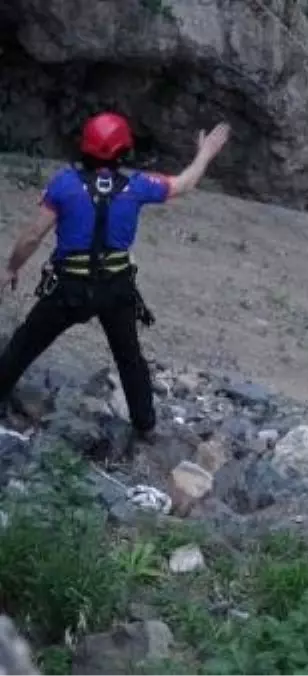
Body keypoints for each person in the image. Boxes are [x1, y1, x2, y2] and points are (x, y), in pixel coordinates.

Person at [0, 112, 231, 442]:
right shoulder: (137, 186)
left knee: (25, 343)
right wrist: (205, 153)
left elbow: (34, 234)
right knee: (129, 357)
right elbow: (184, 184)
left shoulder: (65, 184)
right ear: (124, 150)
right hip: (116, 289)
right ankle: (145, 425)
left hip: (69, 289)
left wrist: (11, 268)